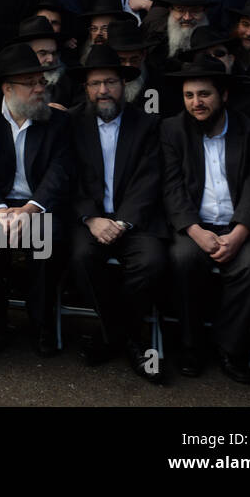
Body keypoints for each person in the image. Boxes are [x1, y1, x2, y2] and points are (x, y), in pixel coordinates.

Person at [0, 43, 72, 355]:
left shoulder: (56, 120)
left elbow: (61, 171)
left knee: (51, 240)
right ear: (7, 88)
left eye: (42, 81)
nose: (40, 88)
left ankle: (41, 323)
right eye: (31, 83)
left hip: (38, 205)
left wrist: (31, 209)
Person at [161, 58, 250, 383]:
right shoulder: (171, 130)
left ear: (223, 94)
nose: (196, 102)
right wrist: (195, 230)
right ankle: (191, 345)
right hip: (193, 225)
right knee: (182, 258)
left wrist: (239, 234)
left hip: (239, 226)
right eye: (189, 95)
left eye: (204, 94)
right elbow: (171, 186)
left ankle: (229, 347)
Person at [67, 45, 167, 384]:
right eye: (95, 83)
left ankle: (112, 336)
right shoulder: (69, 123)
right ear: (86, 88)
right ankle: (130, 339)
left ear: (124, 85)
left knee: (152, 261)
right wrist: (91, 218)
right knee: (81, 257)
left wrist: (123, 222)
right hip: (90, 219)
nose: (103, 90)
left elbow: (150, 178)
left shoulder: (147, 123)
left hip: (134, 220)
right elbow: (67, 178)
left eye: (110, 81)